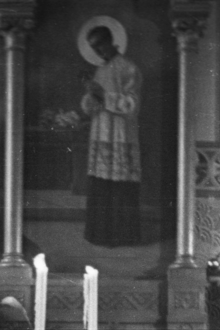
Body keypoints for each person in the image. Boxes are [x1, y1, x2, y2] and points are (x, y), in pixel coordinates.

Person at [81, 24, 142, 247]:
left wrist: (103, 95)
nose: (98, 51)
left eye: (100, 46)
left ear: (110, 41)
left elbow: (132, 105)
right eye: (94, 48)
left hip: (120, 135)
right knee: (101, 184)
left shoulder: (129, 68)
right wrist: (91, 95)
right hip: (101, 132)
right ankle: (100, 234)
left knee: (119, 186)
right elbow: (92, 106)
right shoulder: (101, 69)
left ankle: (121, 236)